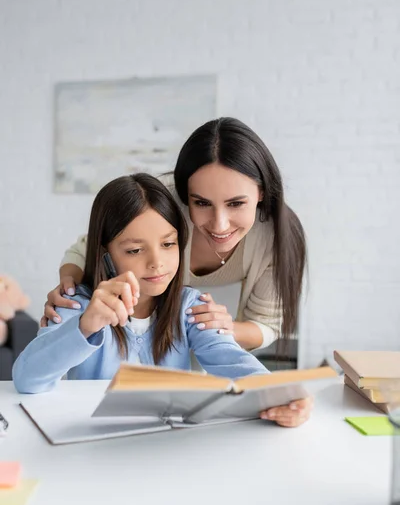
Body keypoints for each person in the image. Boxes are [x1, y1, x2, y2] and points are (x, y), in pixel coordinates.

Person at [40, 118, 312, 425]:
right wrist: (70, 289)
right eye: (201, 203)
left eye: (236, 203)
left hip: (185, 349)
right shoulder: (161, 204)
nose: (220, 225)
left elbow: (256, 334)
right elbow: (90, 245)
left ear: (261, 192)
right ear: (184, 196)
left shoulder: (274, 238)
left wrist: (278, 391)